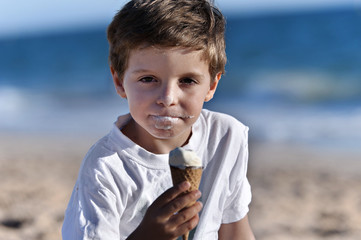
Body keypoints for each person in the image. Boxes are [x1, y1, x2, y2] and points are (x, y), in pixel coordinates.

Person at [62, 0, 255, 239]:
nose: (167, 98)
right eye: (148, 79)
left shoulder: (226, 137)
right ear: (120, 81)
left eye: (187, 81)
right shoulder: (106, 167)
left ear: (212, 85)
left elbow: (235, 230)